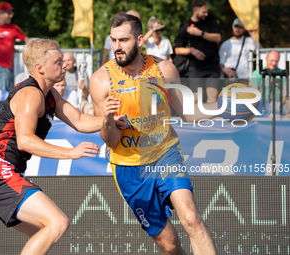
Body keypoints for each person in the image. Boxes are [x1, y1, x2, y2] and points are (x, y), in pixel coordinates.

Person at [0, 39, 126, 255]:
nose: (64, 65)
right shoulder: (30, 94)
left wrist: (110, 120)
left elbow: (80, 120)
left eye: (63, 60)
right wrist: (71, 153)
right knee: (58, 223)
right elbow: (25, 140)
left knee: (46, 231)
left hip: (1, 172)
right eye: (58, 61)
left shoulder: (49, 94)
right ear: (40, 68)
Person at [90, 14, 217, 255]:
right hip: (129, 167)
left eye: (123, 40)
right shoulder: (100, 80)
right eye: (113, 40)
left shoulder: (164, 69)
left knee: (191, 217)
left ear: (139, 40)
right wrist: (107, 120)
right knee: (169, 246)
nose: (117, 47)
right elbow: (111, 141)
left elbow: (187, 113)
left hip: (164, 153)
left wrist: (222, 109)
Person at [174, 0, 221, 103]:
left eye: (207, 11)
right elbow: (177, 49)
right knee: (195, 98)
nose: (206, 14)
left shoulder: (210, 19)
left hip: (212, 65)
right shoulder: (186, 26)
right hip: (195, 68)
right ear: (195, 10)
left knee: (212, 96)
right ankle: (192, 119)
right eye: (204, 12)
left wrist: (199, 33)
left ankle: (210, 119)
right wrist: (192, 51)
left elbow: (217, 38)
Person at [0, 1, 31, 92]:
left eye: (11, 13)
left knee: (4, 97)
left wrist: (40, 46)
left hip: (5, 68)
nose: (11, 16)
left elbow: (27, 40)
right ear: (0, 14)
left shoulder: (14, 28)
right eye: (9, 13)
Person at [219, 18, 258, 84]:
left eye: (240, 27)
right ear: (232, 26)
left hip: (244, 79)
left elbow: (259, 52)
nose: (237, 29)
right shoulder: (225, 44)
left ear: (244, 29)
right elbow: (219, 63)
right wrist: (225, 70)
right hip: (228, 80)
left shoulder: (249, 41)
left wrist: (253, 36)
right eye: (236, 26)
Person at [250, 50, 288, 116]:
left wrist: (281, 107)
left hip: (278, 106)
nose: (273, 63)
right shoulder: (257, 73)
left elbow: (285, 94)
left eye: (276, 61)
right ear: (266, 58)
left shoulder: (282, 74)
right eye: (271, 60)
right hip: (261, 105)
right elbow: (253, 93)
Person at [63, 51, 94, 115]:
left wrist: (83, 88)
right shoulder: (60, 73)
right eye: (64, 61)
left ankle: (89, 124)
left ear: (74, 60)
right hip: (65, 100)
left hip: (80, 101)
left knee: (91, 109)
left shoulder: (82, 73)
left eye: (69, 60)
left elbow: (86, 95)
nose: (66, 63)